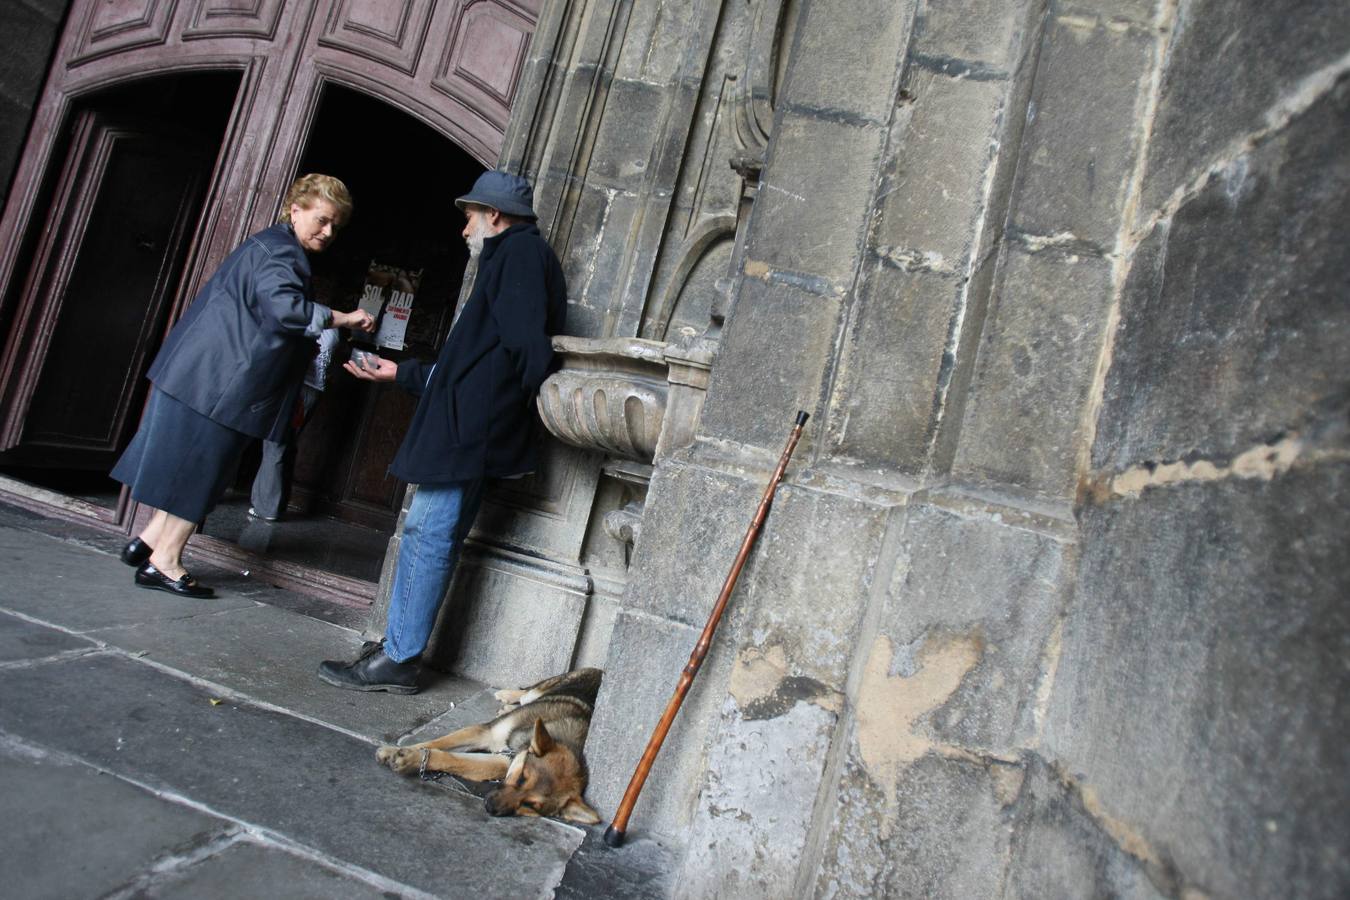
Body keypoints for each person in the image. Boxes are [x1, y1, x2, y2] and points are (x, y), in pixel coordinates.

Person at [317, 170, 567, 694]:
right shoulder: (514, 257)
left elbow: (529, 353)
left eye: (470, 219)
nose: (465, 231)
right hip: (472, 427)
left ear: (493, 216)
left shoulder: (519, 255)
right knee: (432, 536)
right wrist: (401, 373)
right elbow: (478, 364)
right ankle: (396, 648)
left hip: (469, 433)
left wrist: (496, 411)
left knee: (427, 536)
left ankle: (400, 658)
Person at [112, 174, 376, 597]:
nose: (328, 233)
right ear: (296, 209)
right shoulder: (282, 255)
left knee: (188, 467)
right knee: (202, 471)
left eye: (336, 226)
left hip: (203, 377)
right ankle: (165, 563)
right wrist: (344, 318)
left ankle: (147, 542)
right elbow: (286, 310)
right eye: (323, 220)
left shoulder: (270, 244)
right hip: (220, 384)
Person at [247, 325, 340, 522]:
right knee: (286, 446)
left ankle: (267, 507)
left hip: (298, 389)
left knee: (276, 443)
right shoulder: (334, 333)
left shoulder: (313, 326)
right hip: (314, 390)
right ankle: (274, 503)